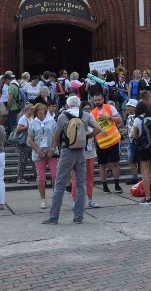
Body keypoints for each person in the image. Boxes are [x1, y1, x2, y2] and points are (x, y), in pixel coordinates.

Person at [42, 96, 102, 225]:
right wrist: (86, 137)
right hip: (81, 151)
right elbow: (98, 129)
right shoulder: (85, 115)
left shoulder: (63, 116)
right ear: (79, 105)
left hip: (67, 151)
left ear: (68, 105)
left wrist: (53, 148)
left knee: (59, 184)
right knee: (80, 184)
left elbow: (57, 136)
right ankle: (78, 216)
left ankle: (53, 217)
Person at [91, 92, 124, 194]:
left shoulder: (110, 107)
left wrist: (109, 118)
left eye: (99, 100)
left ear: (103, 99)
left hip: (113, 140)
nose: (97, 102)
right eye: (95, 100)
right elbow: (92, 127)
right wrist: (100, 130)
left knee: (115, 163)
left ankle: (117, 185)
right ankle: (105, 185)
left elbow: (119, 119)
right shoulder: (93, 113)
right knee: (102, 164)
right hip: (101, 143)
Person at [28, 102, 57, 209]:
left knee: (55, 175)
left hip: (51, 151)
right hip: (39, 152)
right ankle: (43, 199)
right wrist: (39, 151)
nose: (41, 111)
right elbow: (30, 139)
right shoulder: (33, 123)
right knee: (40, 177)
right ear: (36, 112)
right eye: (39, 110)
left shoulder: (51, 121)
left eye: (42, 109)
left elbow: (56, 137)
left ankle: (55, 197)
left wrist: (52, 149)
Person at [131, 100, 151, 205]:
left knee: (144, 172)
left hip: (143, 148)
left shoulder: (137, 120)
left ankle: (147, 198)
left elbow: (134, 135)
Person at [14, 104, 34, 184]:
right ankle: (20, 178)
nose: (33, 110)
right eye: (31, 109)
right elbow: (18, 129)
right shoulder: (23, 118)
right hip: (24, 143)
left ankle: (38, 177)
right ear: (27, 110)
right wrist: (27, 127)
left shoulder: (31, 118)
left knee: (34, 161)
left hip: (30, 143)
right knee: (23, 161)